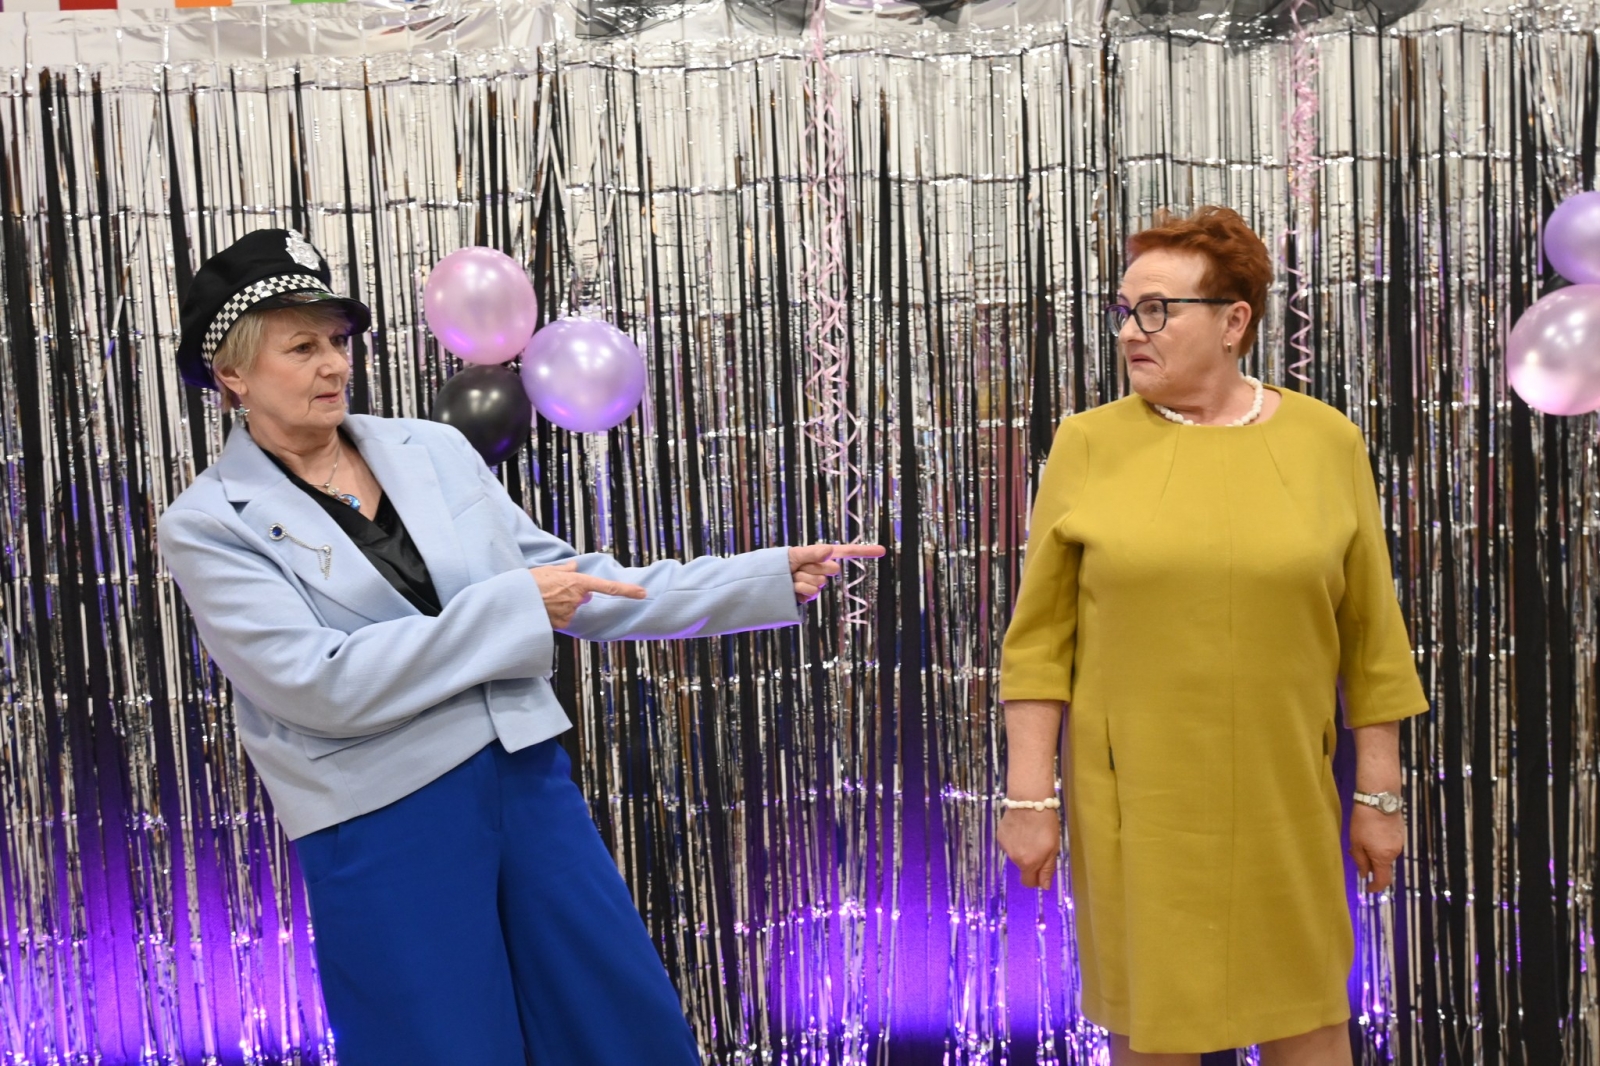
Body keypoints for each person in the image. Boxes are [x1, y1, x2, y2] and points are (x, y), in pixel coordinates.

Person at [156, 229, 883, 1065]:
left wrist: (756, 577)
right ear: (233, 374)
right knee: (439, 1048)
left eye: (338, 341)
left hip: (527, 781)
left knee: (619, 1029)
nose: (335, 366)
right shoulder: (208, 523)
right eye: (302, 348)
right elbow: (315, 684)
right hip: (381, 819)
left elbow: (573, 584)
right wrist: (511, 608)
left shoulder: (431, 450)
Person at [997, 206, 1427, 1065]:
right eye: (1125, 310)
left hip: (1284, 795)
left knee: (1309, 1021)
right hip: (1137, 805)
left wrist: (1379, 796)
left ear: (1235, 322)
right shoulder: (1087, 444)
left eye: (1158, 310)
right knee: (1155, 1029)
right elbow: (1038, 645)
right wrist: (1029, 799)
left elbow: (1372, 637)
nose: (1132, 332)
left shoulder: (1327, 441)